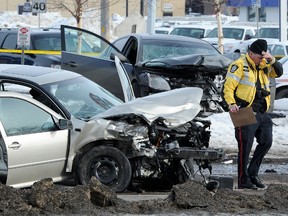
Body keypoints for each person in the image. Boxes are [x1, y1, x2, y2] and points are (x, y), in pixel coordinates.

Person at [223, 39, 283, 190]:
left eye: (263, 57)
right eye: (259, 57)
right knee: (245, 146)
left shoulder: (263, 65)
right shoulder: (239, 65)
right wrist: (231, 103)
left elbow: (278, 71)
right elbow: (228, 87)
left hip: (261, 112)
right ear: (251, 53)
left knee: (266, 142)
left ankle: (253, 173)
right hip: (243, 110)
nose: (261, 60)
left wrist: (272, 59)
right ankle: (243, 180)